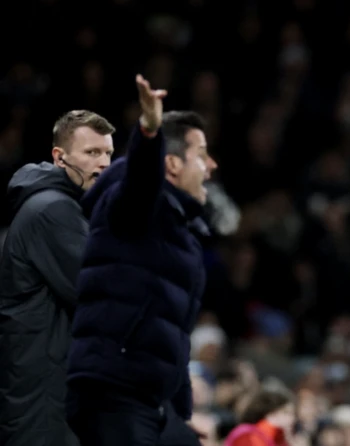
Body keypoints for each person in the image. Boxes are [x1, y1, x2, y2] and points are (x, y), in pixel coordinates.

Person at [66, 74, 216, 446]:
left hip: (153, 400)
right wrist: (149, 131)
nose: (211, 165)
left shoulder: (182, 232)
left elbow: (174, 334)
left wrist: (181, 414)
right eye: (201, 154)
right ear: (172, 165)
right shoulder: (130, 206)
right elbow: (140, 184)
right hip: (113, 388)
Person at [0, 110, 115, 446]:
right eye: (92, 153)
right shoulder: (53, 210)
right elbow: (100, 294)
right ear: (59, 157)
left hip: (45, 395)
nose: (104, 163)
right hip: (46, 403)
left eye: (108, 152)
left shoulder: (62, 205)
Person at [224, 385, 297, 446]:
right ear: (270, 413)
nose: (292, 419)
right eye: (286, 413)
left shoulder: (277, 439)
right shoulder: (247, 435)